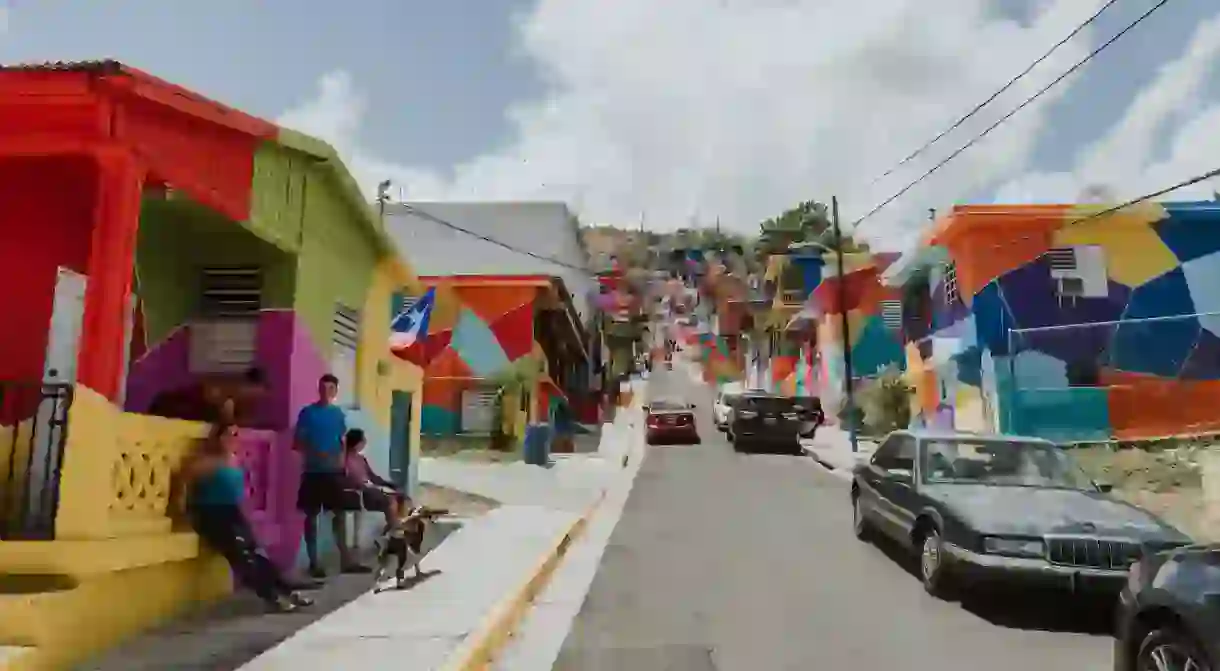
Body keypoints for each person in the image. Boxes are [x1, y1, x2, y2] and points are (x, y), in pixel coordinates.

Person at [178, 422, 313, 613]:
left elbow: (237, 491)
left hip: (233, 513)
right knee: (243, 557)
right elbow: (184, 481)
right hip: (212, 514)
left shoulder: (234, 460)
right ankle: (271, 597)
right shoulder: (208, 462)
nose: (232, 439)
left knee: (257, 554)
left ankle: (287, 591)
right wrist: (183, 509)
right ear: (217, 438)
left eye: (235, 435)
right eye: (227, 435)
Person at [294, 374, 370, 578]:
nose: (325, 392)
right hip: (312, 472)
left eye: (330, 388)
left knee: (340, 514)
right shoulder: (307, 413)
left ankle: (346, 561)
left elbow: (342, 441)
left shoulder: (338, 415)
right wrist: (315, 451)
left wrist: (343, 463)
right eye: (322, 388)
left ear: (335, 391)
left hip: (334, 472)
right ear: (318, 389)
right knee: (311, 517)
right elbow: (297, 443)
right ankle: (314, 563)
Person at [149, 367, 269, 426]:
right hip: (169, 412)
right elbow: (207, 397)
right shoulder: (221, 387)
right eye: (253, 394)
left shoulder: (238, 404)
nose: (252, 399)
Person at [342, 428, 403, 526]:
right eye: (363, 440)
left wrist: (389, 484)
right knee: (391, 501)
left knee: (401, 497)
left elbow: (373, 477)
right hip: (358, 494)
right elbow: (347, 478)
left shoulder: (360, 459)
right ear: (358, 443)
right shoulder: (344, 460)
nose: (365, 443)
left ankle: (394, 526)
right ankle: (395, 528)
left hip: (367, 491)